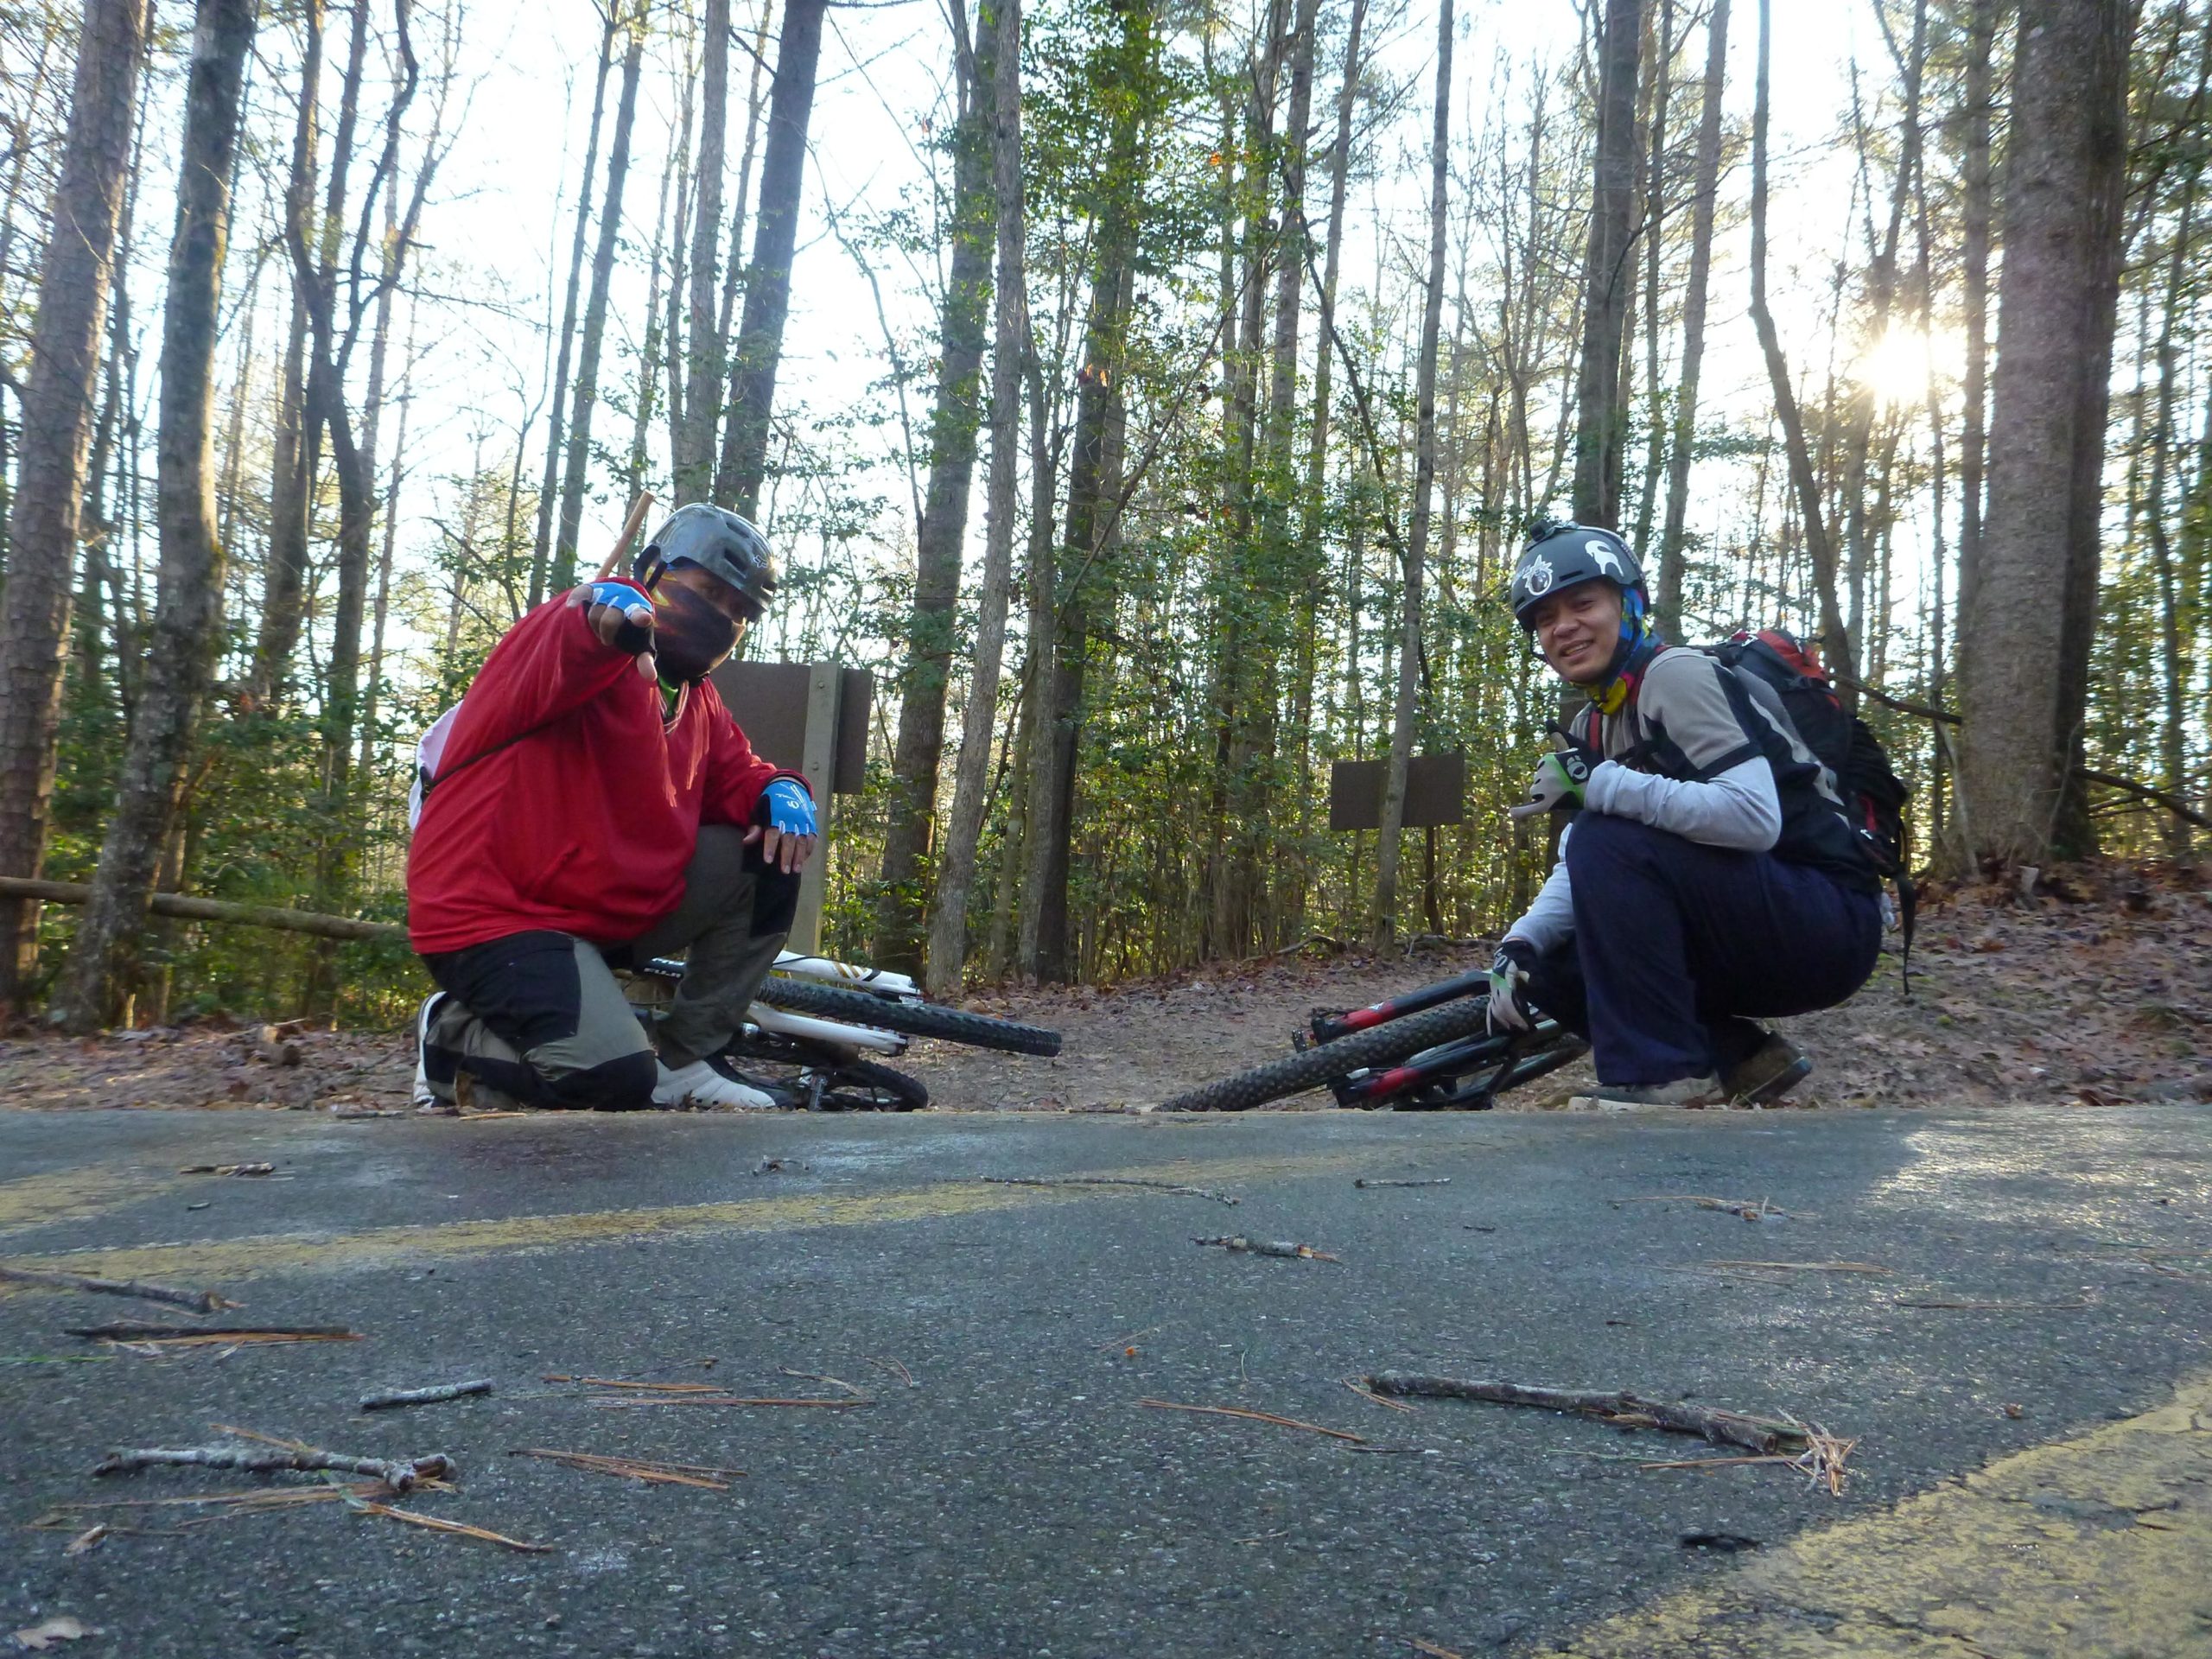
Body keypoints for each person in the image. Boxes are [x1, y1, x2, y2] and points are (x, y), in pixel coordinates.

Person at [406, 504, 817, 1112]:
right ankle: (453, 1037)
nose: (722, 617)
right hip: (493, 916)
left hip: (601, 916)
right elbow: (578, 628)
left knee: (768, 849)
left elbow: (740, 773)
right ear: (652, 572)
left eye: (740, 612)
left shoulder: (698, 702)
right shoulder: (572, 643)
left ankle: (686, 1057)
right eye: (707, 591)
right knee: (616, 1082)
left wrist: (784, 788)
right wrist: (608, 611)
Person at [1484, 519, 1884, 1107]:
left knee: (1604, 835)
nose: (1563, 626)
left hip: (1827, 921)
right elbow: (1590, 870)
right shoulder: (1590, 724)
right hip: (1748, 924)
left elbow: (1754, 818)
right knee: (1548, 964)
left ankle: (1662, 1079)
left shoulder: (1676, 675)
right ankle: (1742, 1061)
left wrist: (1603, 786)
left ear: (1630, 604)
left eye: (1583, 603)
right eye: (1544, 618)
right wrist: (1518, 945)